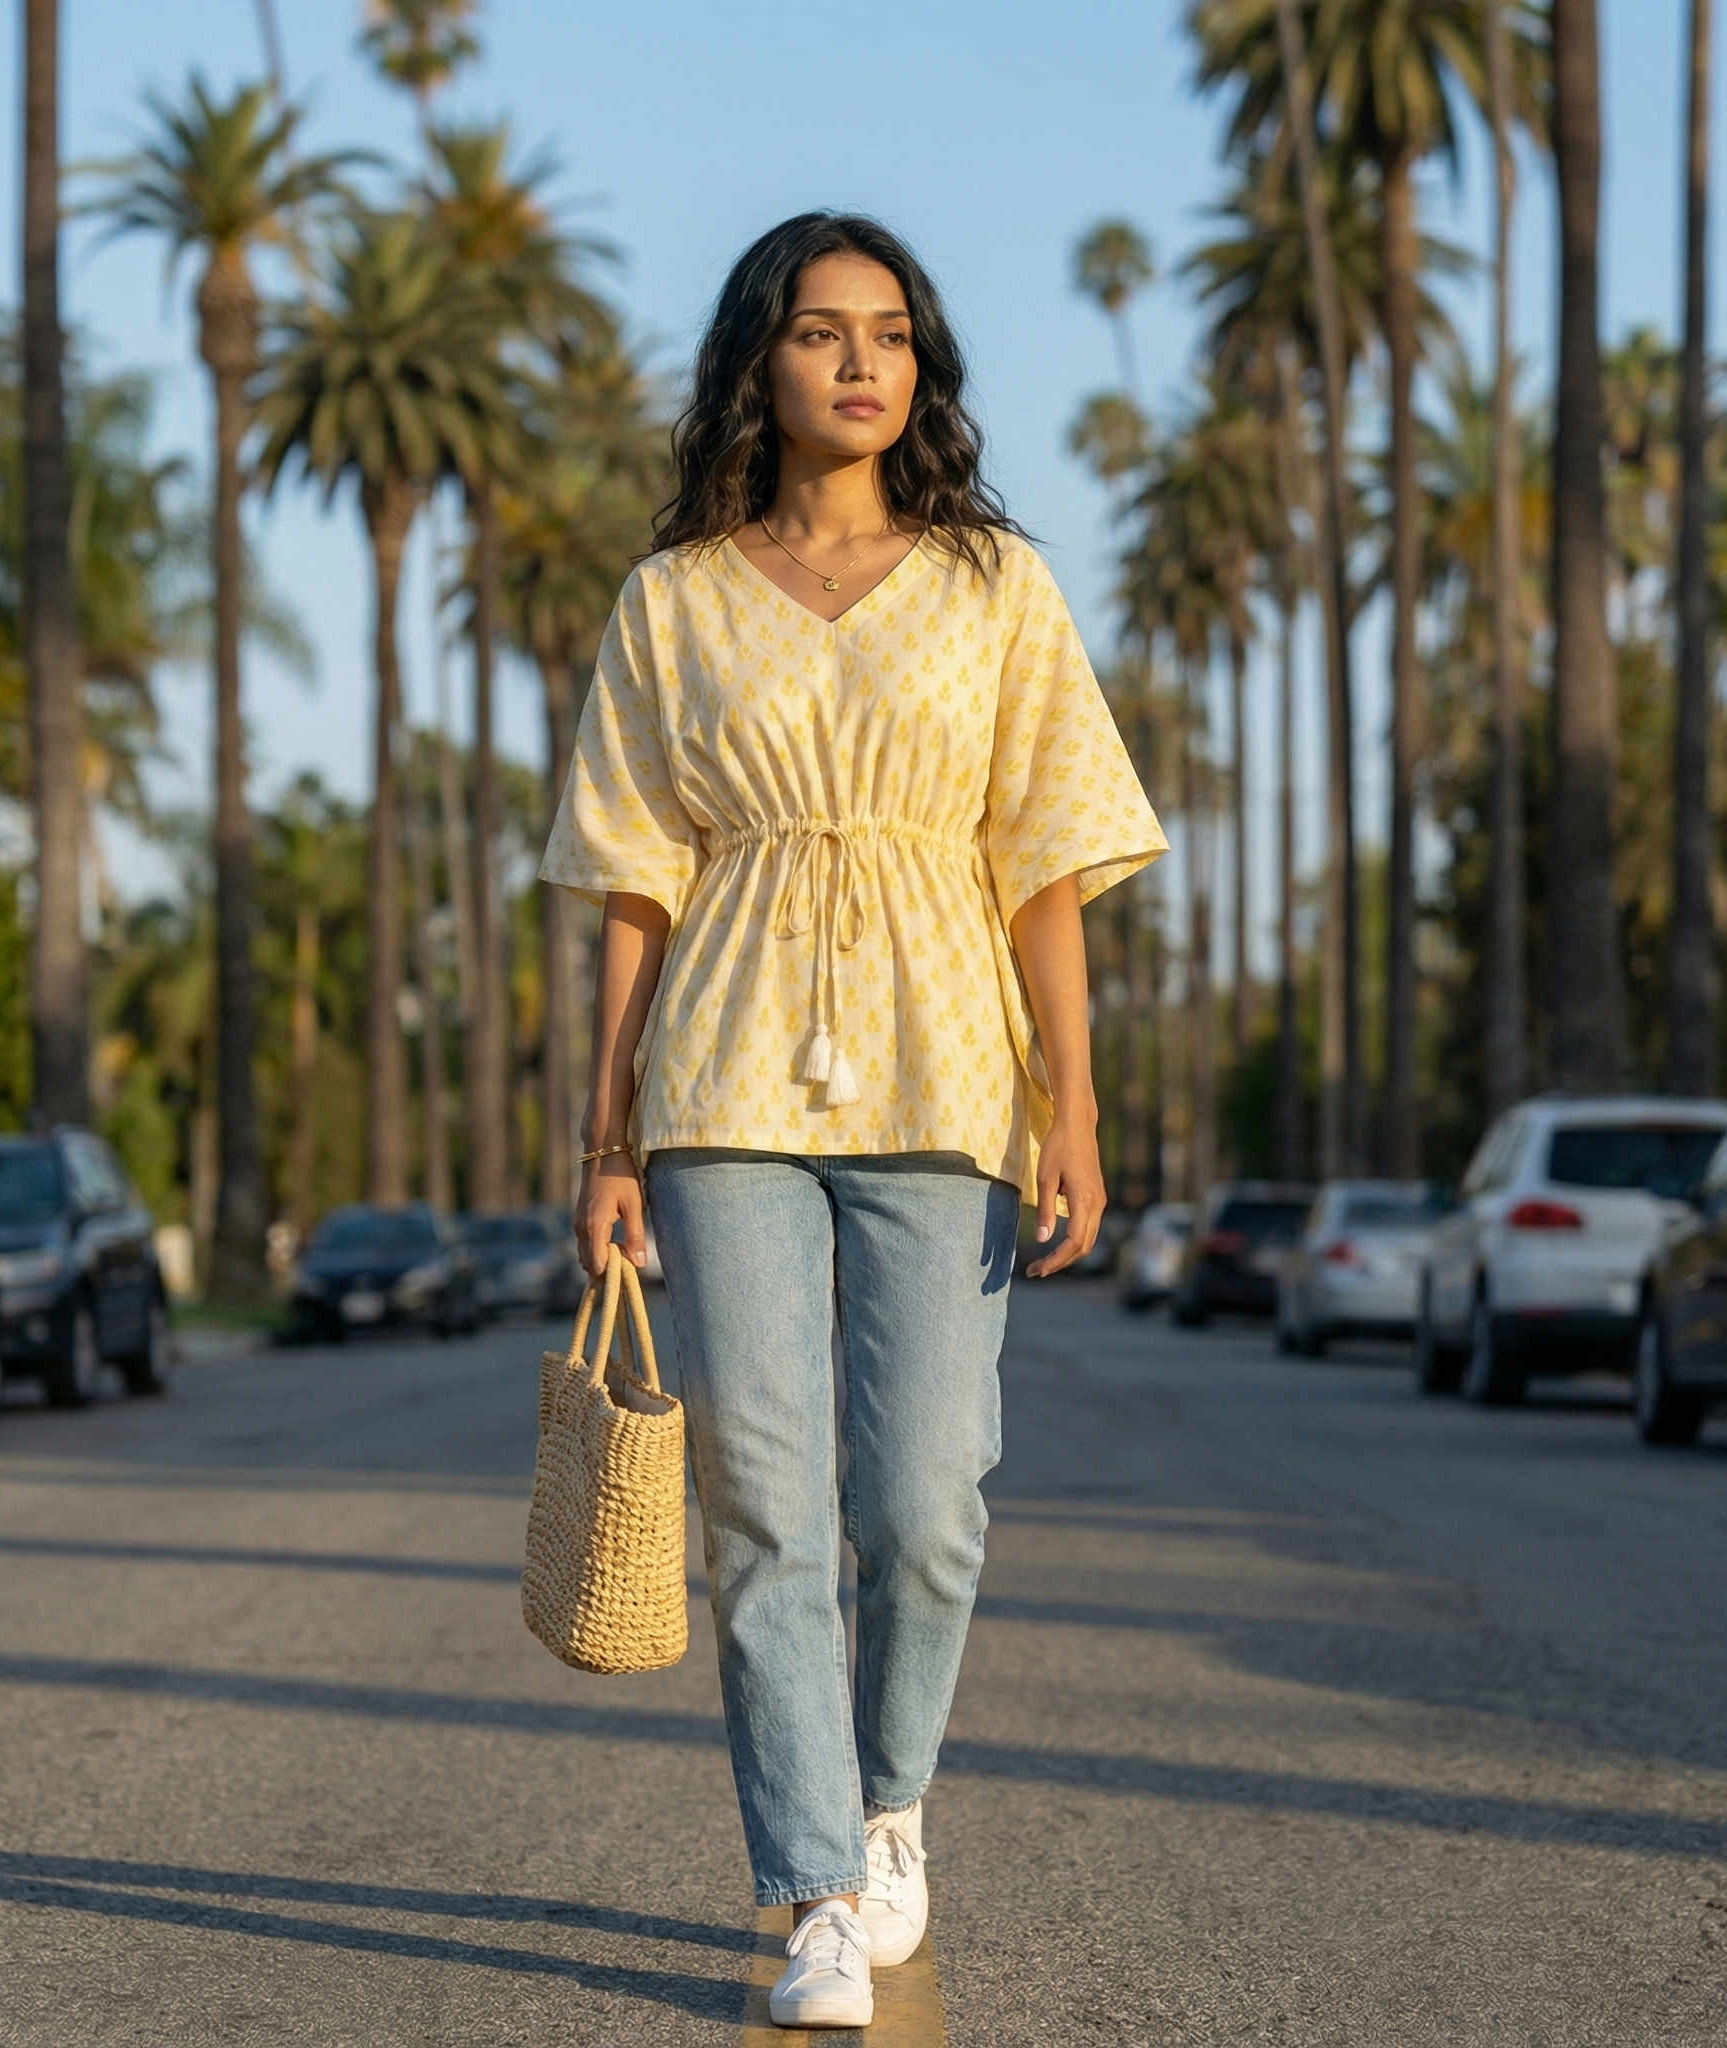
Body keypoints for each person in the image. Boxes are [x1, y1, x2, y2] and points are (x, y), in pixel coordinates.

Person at [540, 211, 1165, 2030]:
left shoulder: (993, 587)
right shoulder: (671, 600)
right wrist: (608, 1144)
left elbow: (1044, 860)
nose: (863, 362)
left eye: (891, 332)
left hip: (949, 1074)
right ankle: (816, 1884)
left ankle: (895, 1805)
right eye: (823, 332)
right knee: (764, 1507)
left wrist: (1077, 1103)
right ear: (764, 360)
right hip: (724, 1074)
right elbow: (634, 889)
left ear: (921, 365)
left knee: (928, 1500)